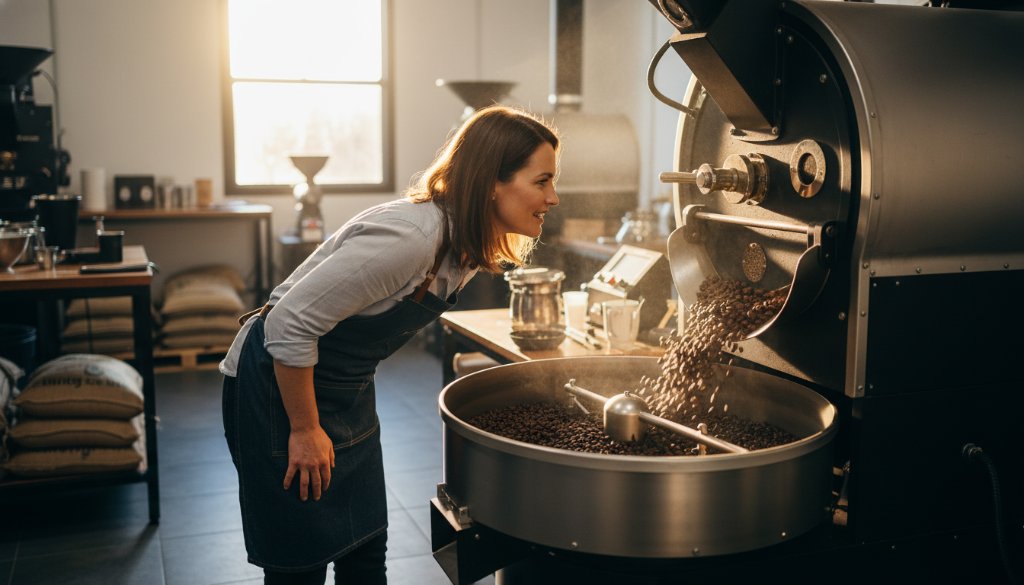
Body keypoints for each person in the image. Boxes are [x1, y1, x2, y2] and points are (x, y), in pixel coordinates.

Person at [220, 105, 560, 584]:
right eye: (542, 181)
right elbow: (289, 325)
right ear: (491, 184)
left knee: (364, 551)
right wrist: (304, 429)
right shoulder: (413, 236)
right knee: (300, 565)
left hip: (346, 390)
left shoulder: (464, 246)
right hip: (279, 390)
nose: (554, 197)